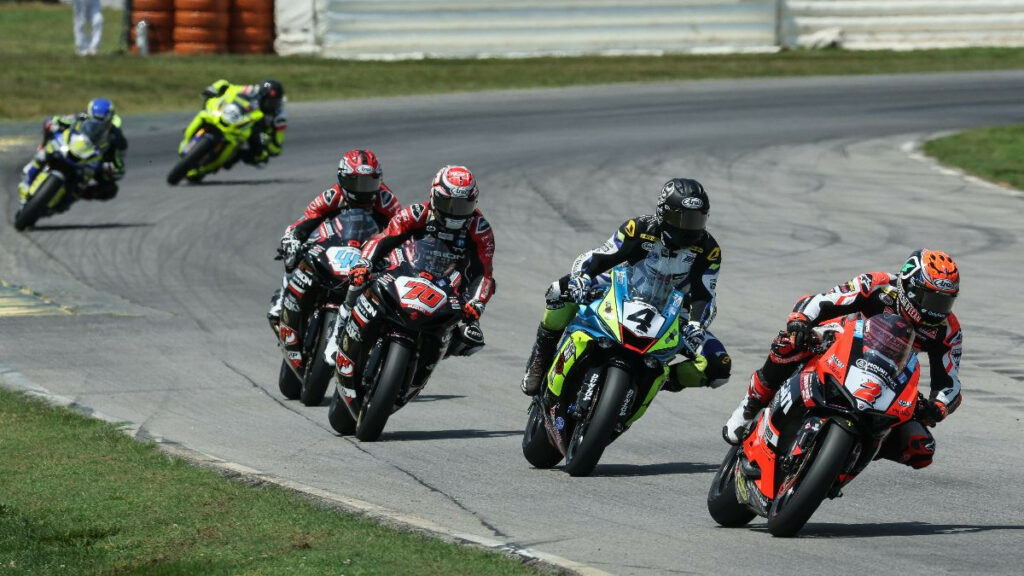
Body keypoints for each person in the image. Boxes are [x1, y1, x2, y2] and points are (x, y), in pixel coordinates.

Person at [722, 249, 962, 470]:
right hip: (841, 342)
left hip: (890, 375)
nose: (937, 311)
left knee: (921, 448)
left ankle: (847, 458)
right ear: (910, 288)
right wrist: (800, 322)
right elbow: (824, 300)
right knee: (789, 343)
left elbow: (949, 383)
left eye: (945, 302)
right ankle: (750, 406)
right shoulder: (878, 285)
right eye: (932, 300)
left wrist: (937, 407)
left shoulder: (948, 329)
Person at [520, 178, 732, 397]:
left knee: (719, 366)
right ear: (663, 213)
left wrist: (696, 323)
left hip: (676, 312)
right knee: (559, 291)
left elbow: (704, 292)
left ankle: (656, 379)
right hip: (626, 287)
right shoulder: (639, 228)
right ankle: (540, 357)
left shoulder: (709, 250)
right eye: (683, 219)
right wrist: (583, 277)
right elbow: (602, 256)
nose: (690, 228)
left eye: (697, 220)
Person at [334, 165, 496, 395]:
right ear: (434, 196)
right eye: (449, 204)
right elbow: (384, 238)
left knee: (469, 336)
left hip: (449, 285)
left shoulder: (480, 229)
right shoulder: (416, 213)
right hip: (406, 270)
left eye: (463, 206)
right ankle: (342, 326)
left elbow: (486, 274)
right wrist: (364, 263)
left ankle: (425, 364)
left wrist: (477, 302)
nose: (455, 212)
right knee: (360, 281)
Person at [270, 149, 403, 369]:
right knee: (293, 252)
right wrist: (291, 238)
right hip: (331, 243)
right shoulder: (332, 195)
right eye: (356, 183)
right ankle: (282, 297)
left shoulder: (386, 200)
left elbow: (399, 231)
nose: (363, 190)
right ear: (342, 179)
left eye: (369, 183)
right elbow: (306, 219)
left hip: (362, 251)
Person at [18, 97, 126, 206]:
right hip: (73, 145)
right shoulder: (82, 117)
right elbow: (59, 119)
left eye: (101, 122)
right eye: (93, 119)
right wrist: (53, 123)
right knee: (47, 149)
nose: (96, 125)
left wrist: (111, 169)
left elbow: (119, 165)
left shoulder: (115, 135)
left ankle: (77, 194)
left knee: (110, 189)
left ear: (109, 119)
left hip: (93, 159)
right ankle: (30, 173)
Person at [200, 79, 286, 166]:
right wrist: (214, 89)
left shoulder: (279, 117)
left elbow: (277, 149)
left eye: (274, 102)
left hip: (255, 133)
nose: (271, 105)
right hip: (237, 119)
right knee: (210, 104)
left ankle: (230, 158)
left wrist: (265, 140)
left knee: (261, 159)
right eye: (269, 102)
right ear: (262, 96)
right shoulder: (252, 91)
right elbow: (229, 86)